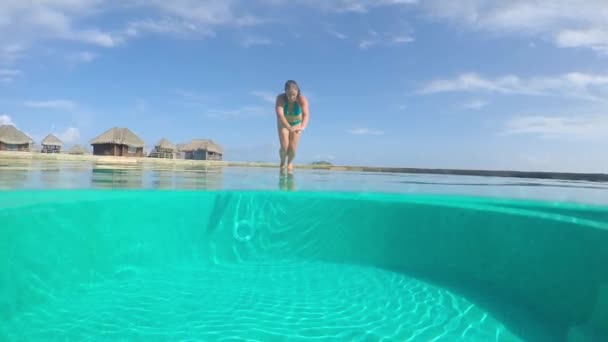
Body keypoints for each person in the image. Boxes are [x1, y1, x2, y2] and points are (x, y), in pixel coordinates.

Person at [275, 80, 309, 170]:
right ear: (285, 92)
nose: (291, 97)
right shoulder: (280, 98)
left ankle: (290, 163)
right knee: (285, 146)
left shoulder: (302, 99)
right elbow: (280, 115)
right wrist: (288, 127)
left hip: (297, 124)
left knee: (293, 149)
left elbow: (306, 115)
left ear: (297, 92)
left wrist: (302, 127)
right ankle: (282, 162)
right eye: (289, 94)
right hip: (283, 123)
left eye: (293, 94)